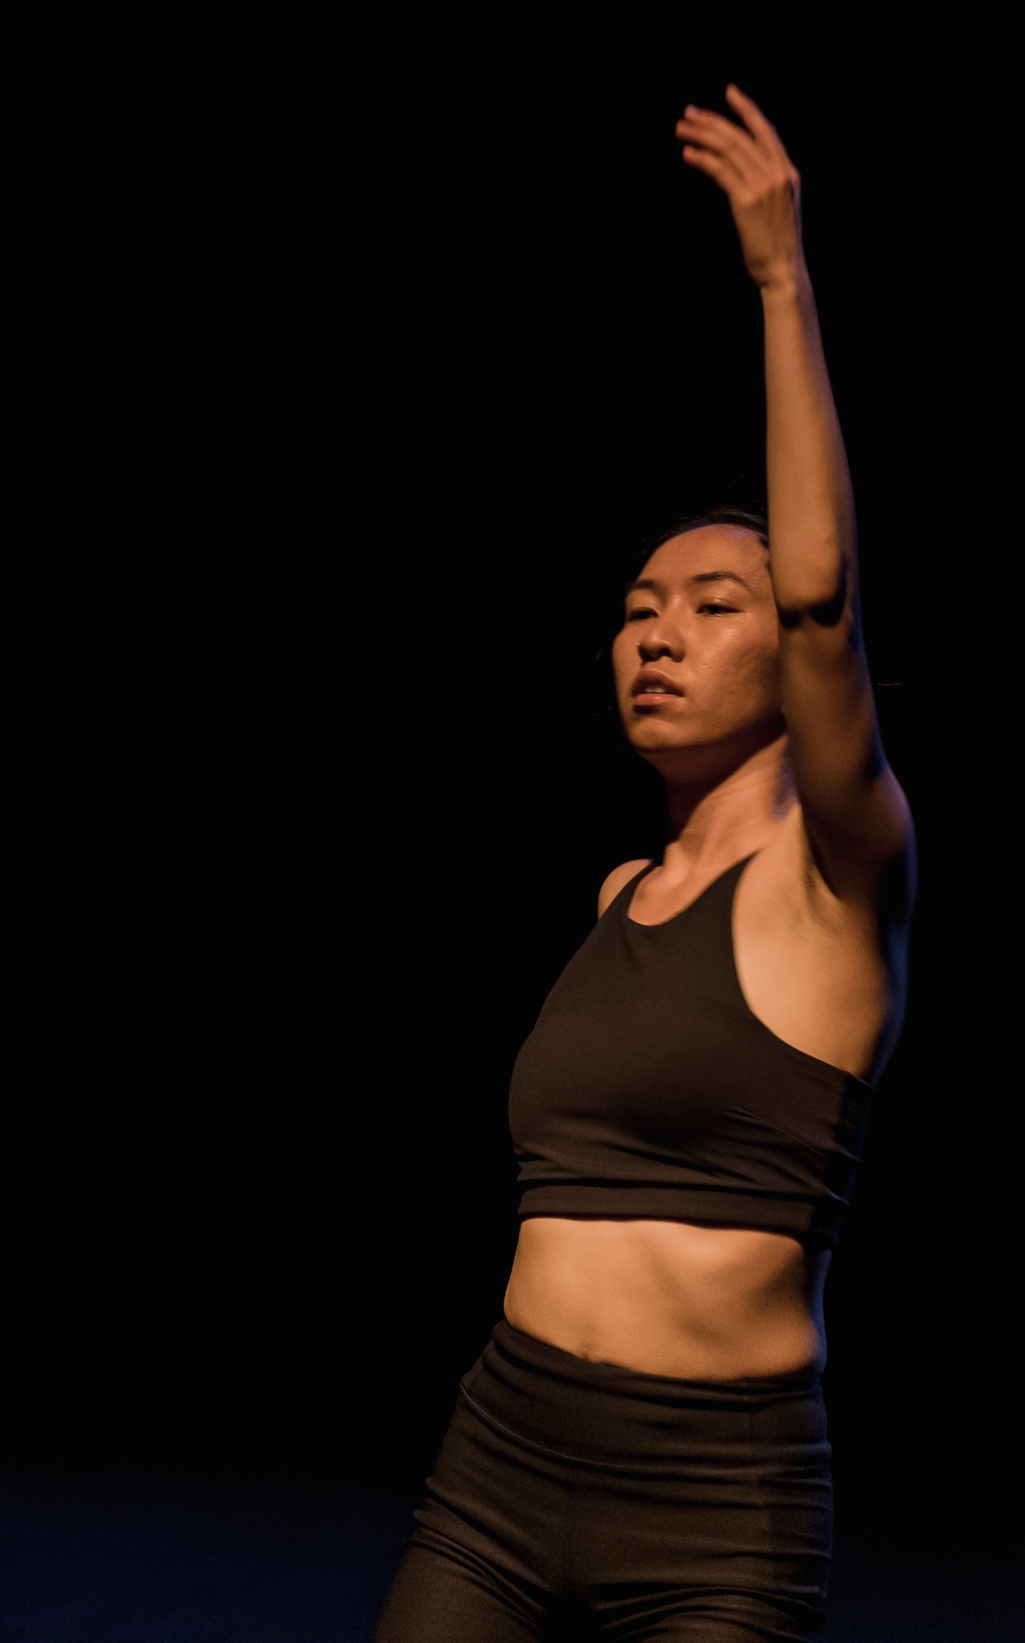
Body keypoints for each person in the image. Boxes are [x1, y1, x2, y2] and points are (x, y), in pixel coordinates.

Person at [374, 87, 914, 1640]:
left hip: (712, 1506)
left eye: (709, 601)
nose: (659, 631)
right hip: (498, 1459)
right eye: (635, 608)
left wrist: (778, 282)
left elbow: (822, 600)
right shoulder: (618, 896)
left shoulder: (842, 873)